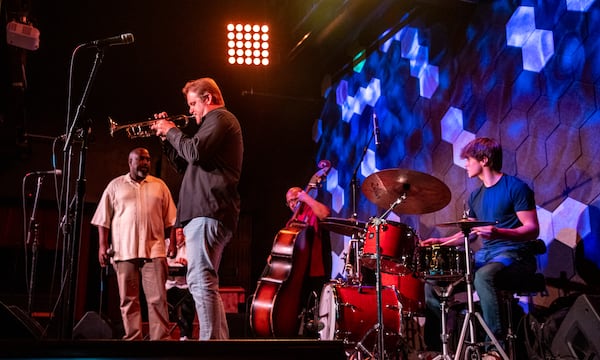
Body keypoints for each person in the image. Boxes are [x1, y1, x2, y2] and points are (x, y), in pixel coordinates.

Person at [420, 137, 540, 359]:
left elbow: (532, 229)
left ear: (484, 160)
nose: (466, 164)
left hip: (514, 253)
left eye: (468, 159)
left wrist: (499, 232)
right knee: (432, 282)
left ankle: (494, 347)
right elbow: (470, 232)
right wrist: (440, 243)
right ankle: (440, 347)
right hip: (486, 255)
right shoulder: (476, 196)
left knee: (483, 276)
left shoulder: (515, 188)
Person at [151, 77, 243, 340]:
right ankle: (217, 344)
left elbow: (194, 152)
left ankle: (210, 346)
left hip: (209, 211)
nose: (190, 110)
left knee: (201, 281)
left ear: (208, 99)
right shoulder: (212, 127)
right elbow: (185, 164)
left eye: (193, 104)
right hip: (205, 212)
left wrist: (171, 129)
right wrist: (165, 137)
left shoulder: (221, 119)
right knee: (203, 282)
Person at [91, 147, 177, 340]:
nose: (145, 163)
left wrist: (172, 244)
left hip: (154, 249)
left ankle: (160, 340)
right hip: (124, 250)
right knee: (128, 299)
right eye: (140, 159)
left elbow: (171, 219)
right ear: (130, 162)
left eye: (147, 159)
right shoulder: (115, 186)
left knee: (158, 299)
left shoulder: (159, 186)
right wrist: (102, 246)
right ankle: (133, 339)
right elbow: (102, 219)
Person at [285, 186, 332, 335]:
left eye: (294, 200)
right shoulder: (292, 220)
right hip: (297, 272)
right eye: (289, 202)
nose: (293, 204)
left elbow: (325, 214)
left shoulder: (312, 210)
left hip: (314, 269)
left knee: (314, 311)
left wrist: (307, 198)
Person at [165, 227, 196, 340]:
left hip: (184, 286)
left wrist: (187, 264)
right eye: (177, 228)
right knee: (157, 300)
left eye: (183, 227)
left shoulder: (191, 245)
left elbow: (196, 265)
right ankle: (162, 334)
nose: (180, 230)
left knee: (189, 298)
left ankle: (185, 335)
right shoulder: (165, 244)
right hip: (167, 287)